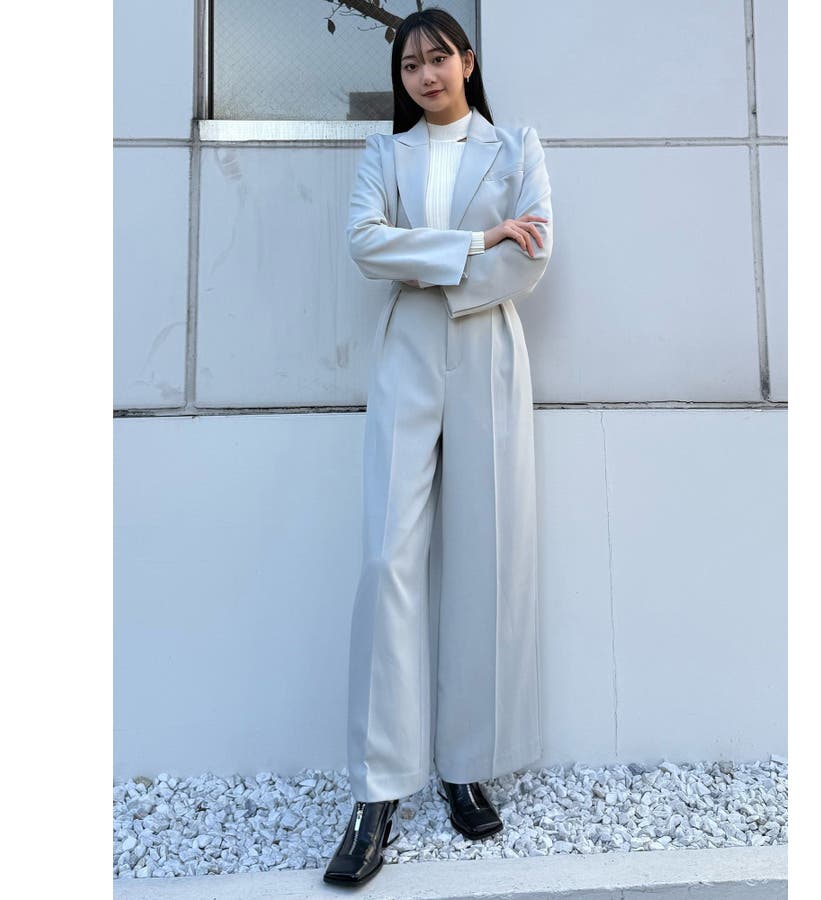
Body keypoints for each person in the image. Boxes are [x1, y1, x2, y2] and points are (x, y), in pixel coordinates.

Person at [324, 7, 553, 887]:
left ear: (468, 60)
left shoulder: (517, 147)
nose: (425, 74)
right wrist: (474, 242)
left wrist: (435, 264)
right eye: (410, 64)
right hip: (408, 356)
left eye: (438, 58)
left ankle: (466, 765)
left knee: (484, 558)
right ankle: (378, 789)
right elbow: (363, 243)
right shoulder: (385, 155)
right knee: (388, 558)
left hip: (488, 351)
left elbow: (533, 256)